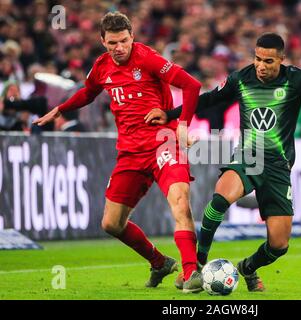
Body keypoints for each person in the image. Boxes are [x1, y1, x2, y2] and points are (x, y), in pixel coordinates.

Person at [144, 32, 301, 292]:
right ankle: (196, 265)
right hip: (248, 157)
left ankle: (247, 268)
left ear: (281, 60)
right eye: (258, 59)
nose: (261, 65)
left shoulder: (296, 78)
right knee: (219, 200)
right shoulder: (241, 78)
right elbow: (208, 99)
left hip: (278, 167)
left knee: (279, 245)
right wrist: (170, 115)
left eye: (269, 61)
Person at [33, 12, 203, 293]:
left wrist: (182, 126)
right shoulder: (101, 67)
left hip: (163, 142)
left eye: (124, 40)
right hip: (129, 152)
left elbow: (191, 85)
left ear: (132, 37)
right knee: (111, 224)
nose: (119, 47)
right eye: (113, 42)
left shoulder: (148, 58)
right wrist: (61, 109)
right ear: (103, 41)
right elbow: (88, 92)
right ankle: (159, 262)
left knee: (180, 202)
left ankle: (191, 272)